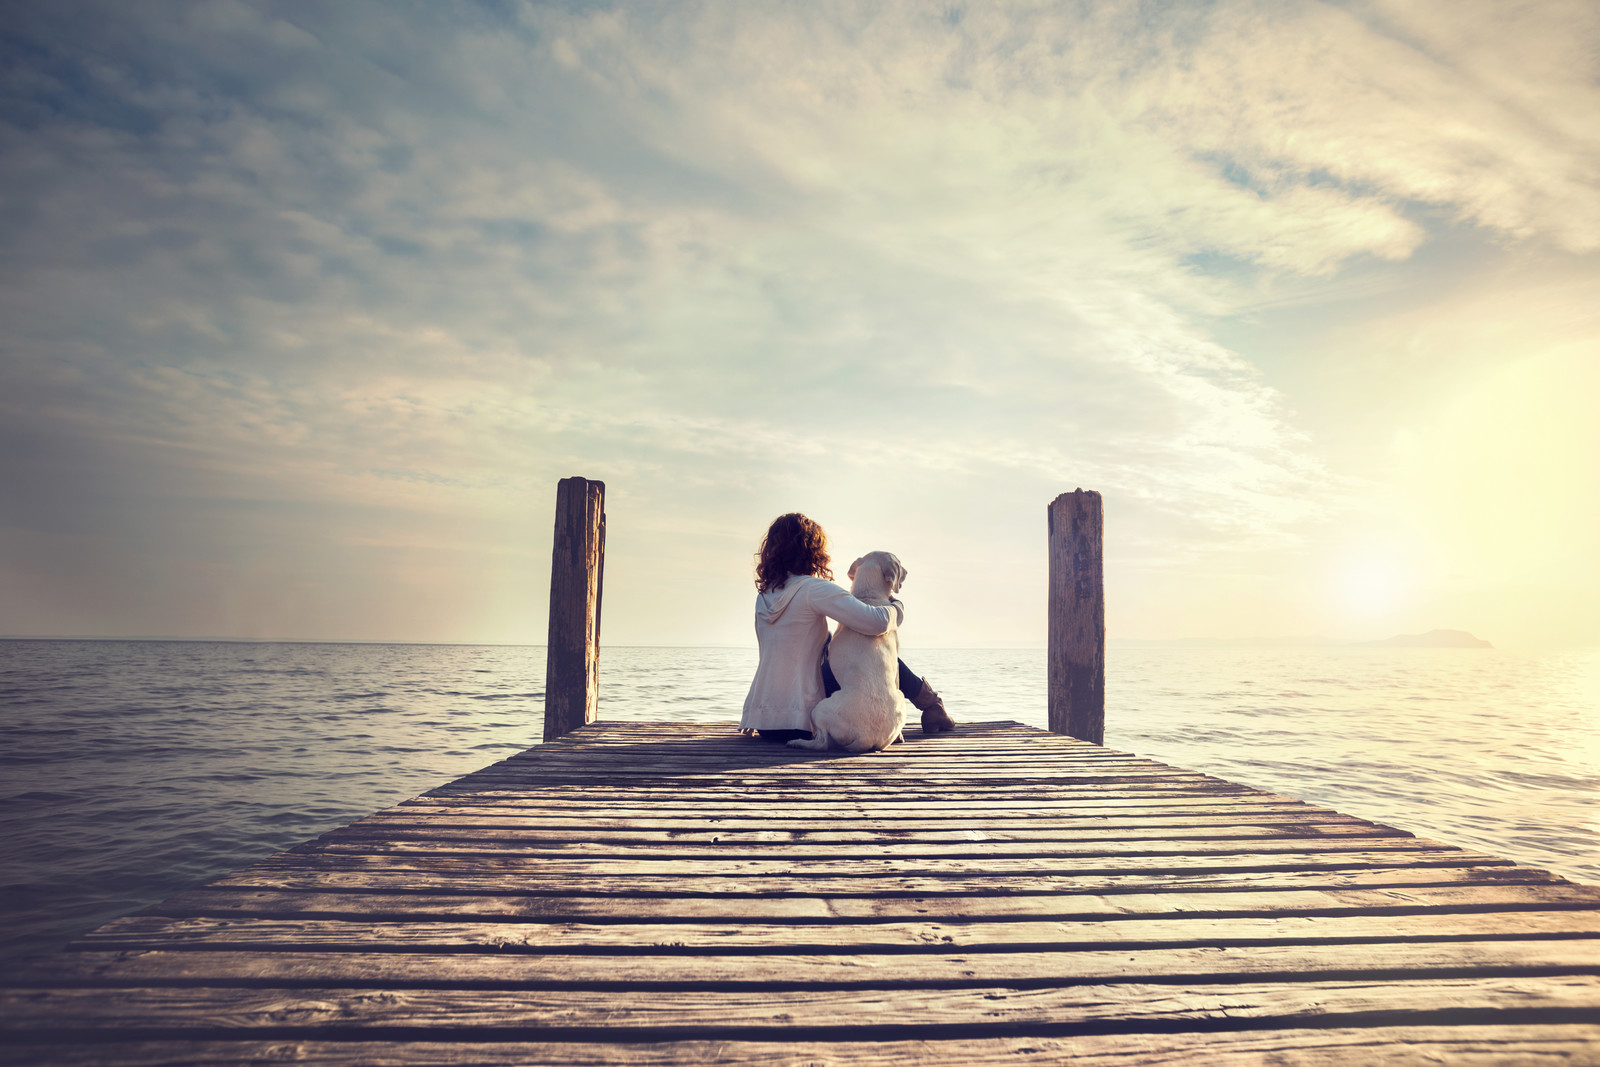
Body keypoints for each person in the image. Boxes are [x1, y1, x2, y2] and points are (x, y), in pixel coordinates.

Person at [740, 512, 955, 742]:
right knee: (873, 645)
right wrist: (897, 605)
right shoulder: (814, 589)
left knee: (834, 641)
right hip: (804, 719)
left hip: (764, 722)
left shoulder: (764, 597)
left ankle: (932, 705)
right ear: (812, 550)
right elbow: (877, 622)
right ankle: (932, 705)